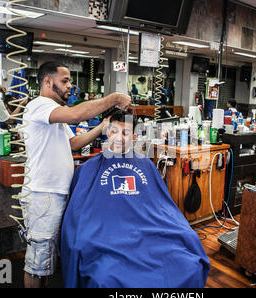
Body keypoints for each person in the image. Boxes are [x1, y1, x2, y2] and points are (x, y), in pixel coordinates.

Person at [60, 110, 210, 288]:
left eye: (125, 133)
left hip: (150, 233)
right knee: (105, 277)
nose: (119, 138)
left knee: (187, 263)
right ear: (107, 132)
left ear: (134, 136)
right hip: (106, 235)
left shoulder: (146, 165)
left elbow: (162, 206)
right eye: (114, 131)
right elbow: (76, 215)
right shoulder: (88, 169)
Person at [19, 61, 131, 288]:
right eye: (65, 81)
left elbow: (73, 143)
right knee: (37, 262)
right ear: (48, 82)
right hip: (43, 193)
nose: (71, 86)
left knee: (48, 260)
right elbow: (75, 115)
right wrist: (113, 98)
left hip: (56, 193)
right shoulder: (39, 105)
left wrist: (101, 127)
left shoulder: (53, 114)